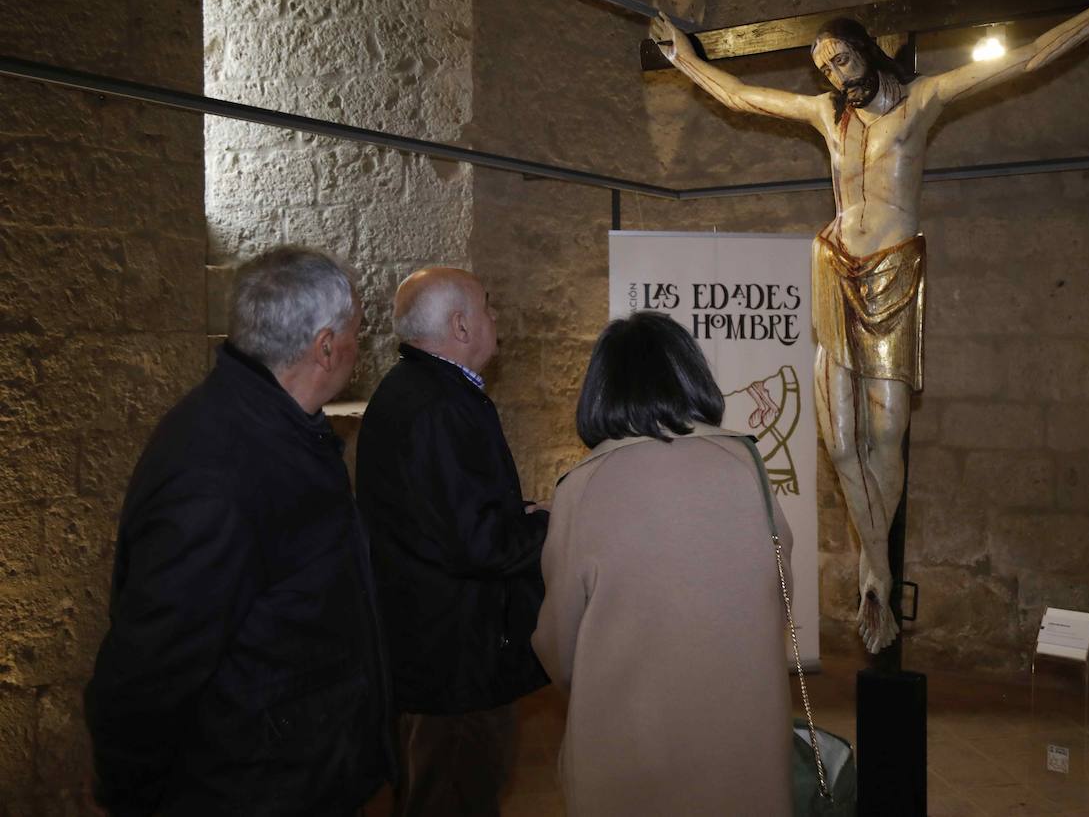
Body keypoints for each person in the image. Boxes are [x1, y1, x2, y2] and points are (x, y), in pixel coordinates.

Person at [651, 0, 1089, 652]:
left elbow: (1023, 61)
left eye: (840, 61)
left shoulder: (922, 103)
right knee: (840, 442)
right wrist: (685, 60)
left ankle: (875, 568)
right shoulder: (824, 116)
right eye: (824, 69)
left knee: (888, 430)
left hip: (895, 274)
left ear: (866, 51)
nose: (833, 77)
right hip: (835, 266)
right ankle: (879, 570)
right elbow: (745, 98)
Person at [84, 246, 391, 816]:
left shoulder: (278, 426)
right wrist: (127, 797)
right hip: (250, 788)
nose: (360, 345)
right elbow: (149, 671)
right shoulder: (219, 471)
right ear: (325, 347)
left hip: (298, 773)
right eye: (356, 331)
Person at [533, 311, 794, 816]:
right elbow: (779, 598)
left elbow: (560, 648)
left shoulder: (582, 488)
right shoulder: (749, 467)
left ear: (601, 391)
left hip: (630, 754)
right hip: (743, 748)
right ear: (693, 375)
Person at [355, 267, 549, 817]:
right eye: (487, 308)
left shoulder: (415, 390)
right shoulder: (438, 406)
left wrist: (515, 511)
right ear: (461, 326)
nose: (495, 319)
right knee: (456, 795)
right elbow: (477, 544)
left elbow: (441, 512)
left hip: (435, 647)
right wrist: (551, 524)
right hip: (453, 660)